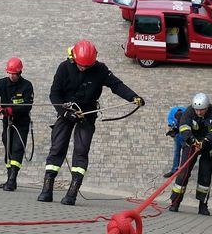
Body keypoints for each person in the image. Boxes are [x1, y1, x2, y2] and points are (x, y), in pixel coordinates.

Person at [37, 40, 145, 205]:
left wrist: (133, 97)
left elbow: (116, 85)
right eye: (81, 65)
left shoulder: (100, 69)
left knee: (81, 151)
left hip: (87, 114)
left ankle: (72, 193)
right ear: (73, 58)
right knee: (57, 147)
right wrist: (65, 112)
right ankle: (47, 190)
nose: (84, 69)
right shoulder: (64, 68)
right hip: (66, 112)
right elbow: (54, 94)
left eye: (87, 66)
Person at [0, 57, 34, 191]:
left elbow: (27, 106)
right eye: (9, 73)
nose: (11, 76)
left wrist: (10, 110)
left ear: (19, 73)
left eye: (14, 73)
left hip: (21, 123)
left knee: (17, 149)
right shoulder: (2, 84)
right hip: (8, 122)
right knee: (8, 149)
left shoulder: (27, 86)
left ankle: (12, 179)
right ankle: (9, 179)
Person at [169, 93, 212, 216]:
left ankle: (203, 205)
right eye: (197, 110)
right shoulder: (189, 111)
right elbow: (183, 127)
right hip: (191, 143)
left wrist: (206, 141)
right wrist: (192, 140)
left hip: (208, 145)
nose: (198, 113)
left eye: (201, 110)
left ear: (207, 107)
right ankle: (175, 202)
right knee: (183, 173)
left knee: (205, 175)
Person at [163, 106, 186, 178]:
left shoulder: (187, 114)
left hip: (185, 138)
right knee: (176, 153)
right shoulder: (172, 113)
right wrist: (172, 128)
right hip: (177, 136)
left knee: (186, 156)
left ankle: (184, 172)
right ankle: (174, 170)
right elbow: (170, 122)